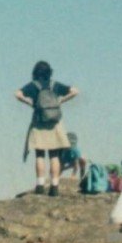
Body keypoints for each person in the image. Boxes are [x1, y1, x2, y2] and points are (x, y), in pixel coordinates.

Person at [15, 61, 81, 196]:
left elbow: (17, 94)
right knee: (54, 155)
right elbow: (75, 91)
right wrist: (61, 100)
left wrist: (29, 102)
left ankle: (40, 185)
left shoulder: (33, 86)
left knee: (39, 155)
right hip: (55, 122)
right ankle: (54, 186)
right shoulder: (54, 85)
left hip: (39, 122)